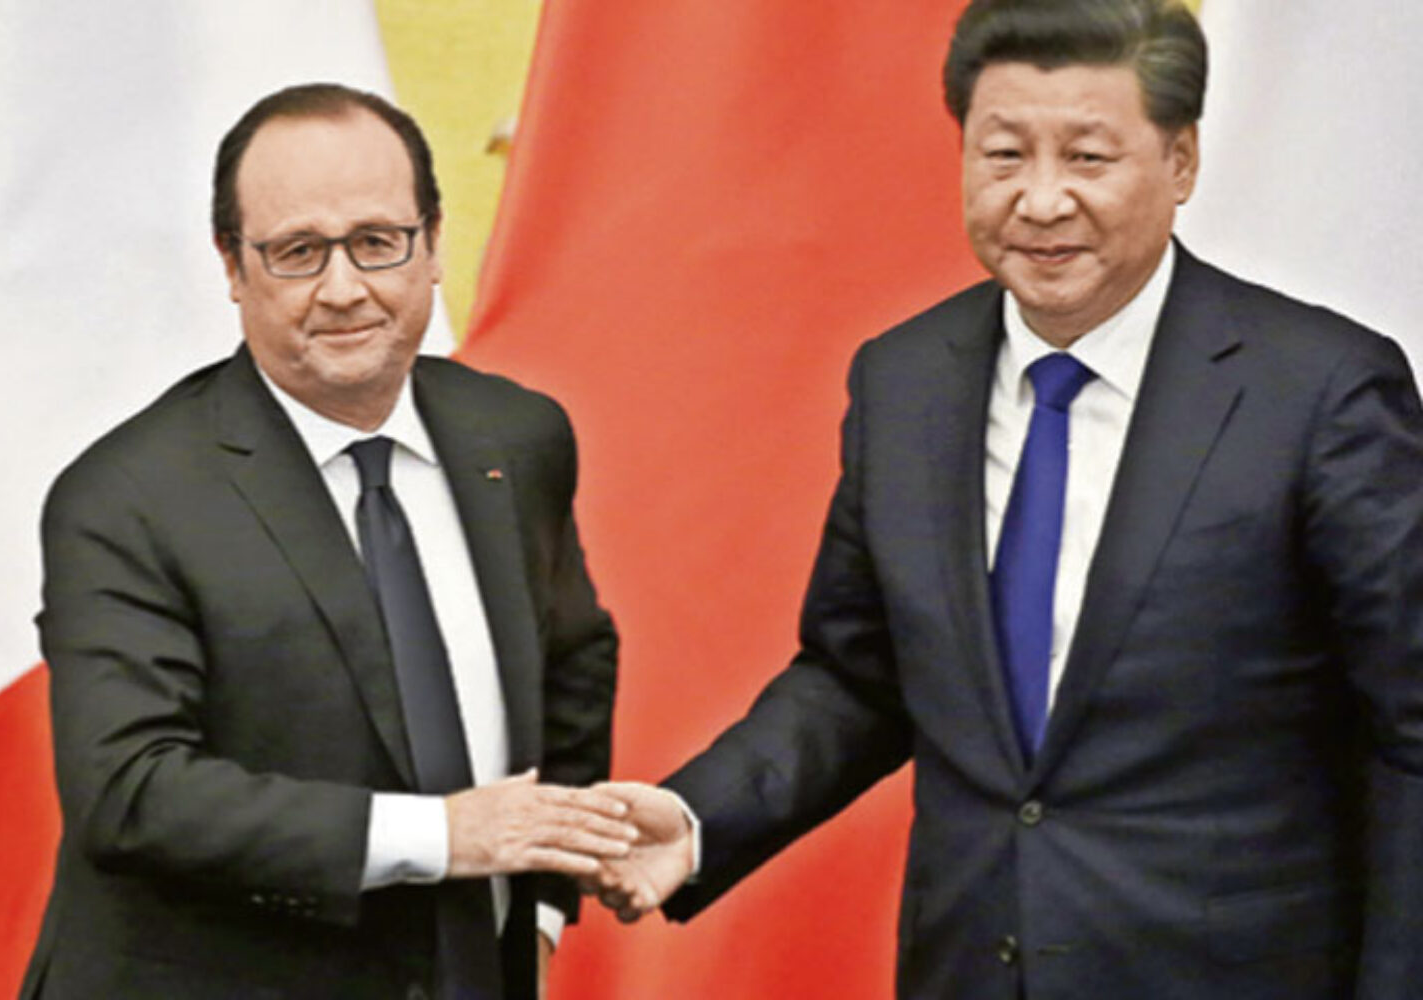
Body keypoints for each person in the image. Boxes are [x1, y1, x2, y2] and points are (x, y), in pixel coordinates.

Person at [590, 2, 1423, 997]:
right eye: (1003, 155)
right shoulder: (904, 381)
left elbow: (1409, 728)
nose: (1041, 199)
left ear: (1181, 161)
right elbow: (859, 675)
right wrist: (699, 818)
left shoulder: (1320, 390)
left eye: (1087, 157)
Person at [20, 84, 632, 1000]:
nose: (343, 290)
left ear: (433, 244)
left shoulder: (519, 437)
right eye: (298, 252)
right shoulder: (125, 498)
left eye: (378, 242)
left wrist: (538, 914)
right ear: (233, 265)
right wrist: (445, 838)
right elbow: (130, 790)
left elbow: (573, 667)